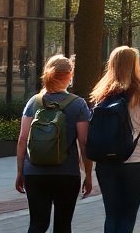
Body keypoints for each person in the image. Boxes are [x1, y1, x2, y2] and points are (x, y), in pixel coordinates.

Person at [16, 55, 92, 233]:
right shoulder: (78, 104)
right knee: (63, 226)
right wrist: (88, 174)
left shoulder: (34, 102)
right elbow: (84, 142)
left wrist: (20, 172)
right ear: (70, 75)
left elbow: (22, 139)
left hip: (35, 172)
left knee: (37, 224)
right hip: (67, 173)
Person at [90, 45, 140, 233]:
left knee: (111, 214)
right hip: (134, 161)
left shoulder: (100, 94)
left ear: (112, 64)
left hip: (105, 162)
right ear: (135, 65)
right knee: (128, 215)